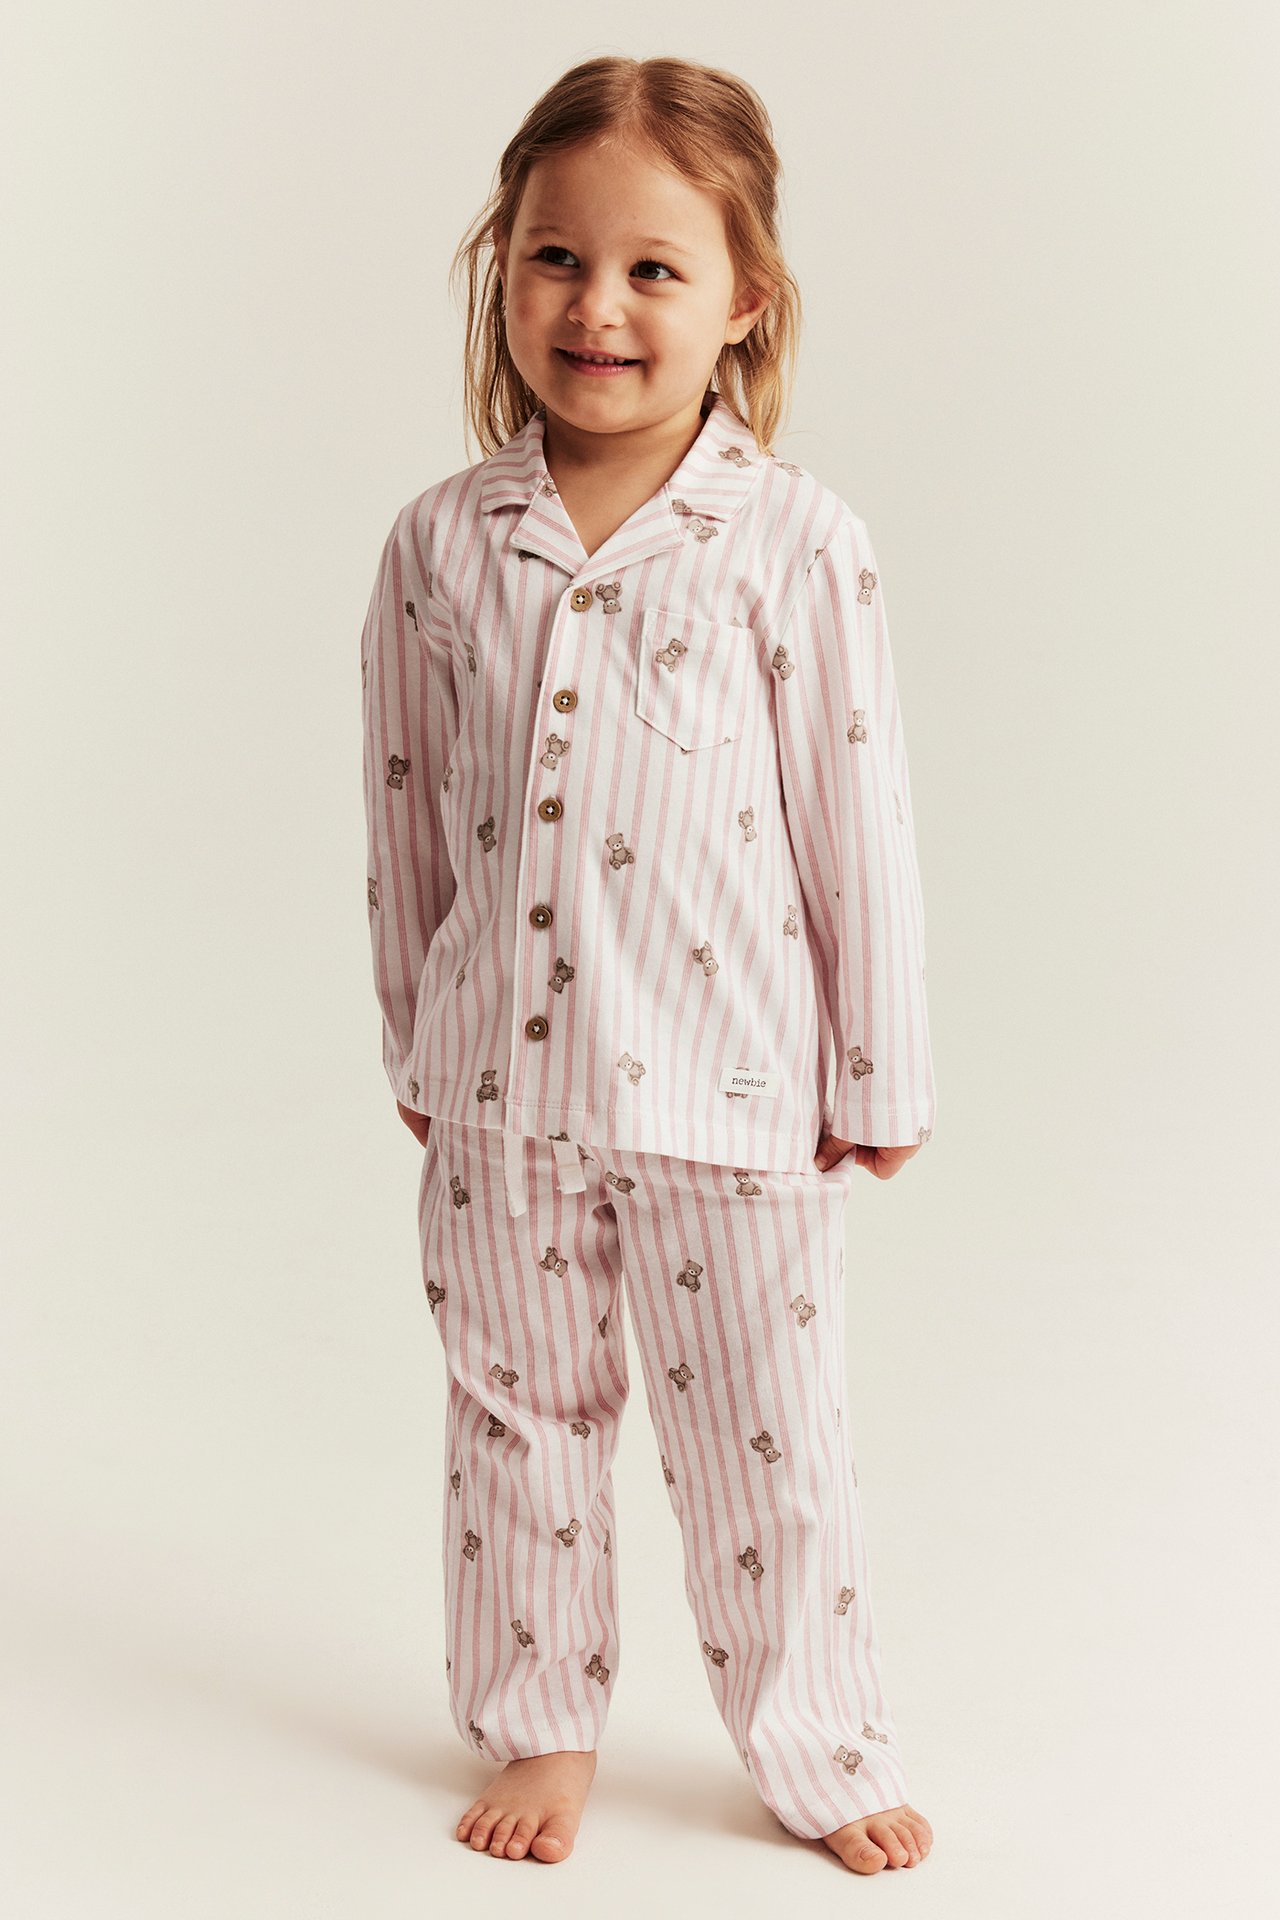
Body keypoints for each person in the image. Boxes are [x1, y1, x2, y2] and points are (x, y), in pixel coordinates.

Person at [360, 54, 937, 1875]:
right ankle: (538, 1722)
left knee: (769, 1442)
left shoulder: (792, 539)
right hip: (503, 1087)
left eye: (654, 271)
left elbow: (861, 820)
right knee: (516, 1418)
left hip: (733, 1088)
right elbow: (407, 820)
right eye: (554, 259)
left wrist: (879, 1073)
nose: (596, 309)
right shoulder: (446, 542)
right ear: (502, 272)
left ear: (743, 300)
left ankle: (818, 1742)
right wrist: (416, 1040)